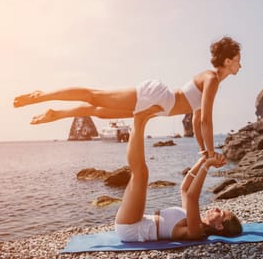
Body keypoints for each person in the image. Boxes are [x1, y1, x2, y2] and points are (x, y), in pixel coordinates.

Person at [13, 36, 242, 159]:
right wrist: (211, 153)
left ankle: (58, 113)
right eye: (238, 59)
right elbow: (206, 121)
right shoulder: (211, 79)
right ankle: (43, 96)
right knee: (95, 96)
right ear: (228, 61)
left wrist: (203, 151)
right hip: (158, 98)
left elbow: (196, 118)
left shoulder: (212, 80)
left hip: (159, 107)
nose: (241, 64)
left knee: (98, 111)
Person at [115, 105, 242, 242]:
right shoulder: (195, 218)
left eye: (221, 213)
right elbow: (185, 188)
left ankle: (138, 120)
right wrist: (202, 161)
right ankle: (141, 120)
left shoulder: (197, 230)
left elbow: (193, 196)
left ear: (219, 227)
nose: (217, 208)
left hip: (132, 229)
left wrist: (208, 165)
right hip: (138, 221)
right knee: (141, 173)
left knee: (140, 173)